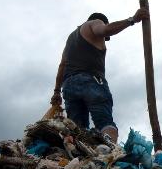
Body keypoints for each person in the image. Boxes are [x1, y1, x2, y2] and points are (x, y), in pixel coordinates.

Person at [46, 8, 149, 144]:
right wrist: (132, 20)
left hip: (69, 85)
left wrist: (56, 91)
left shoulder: (71, 38)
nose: (104, 40)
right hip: (91, 81)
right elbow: (104, 30)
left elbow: (62, 65)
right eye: (105, 40)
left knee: (77, 130)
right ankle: (109, 155)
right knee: (104, 122)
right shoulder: (95, 22)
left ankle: (83, 160)